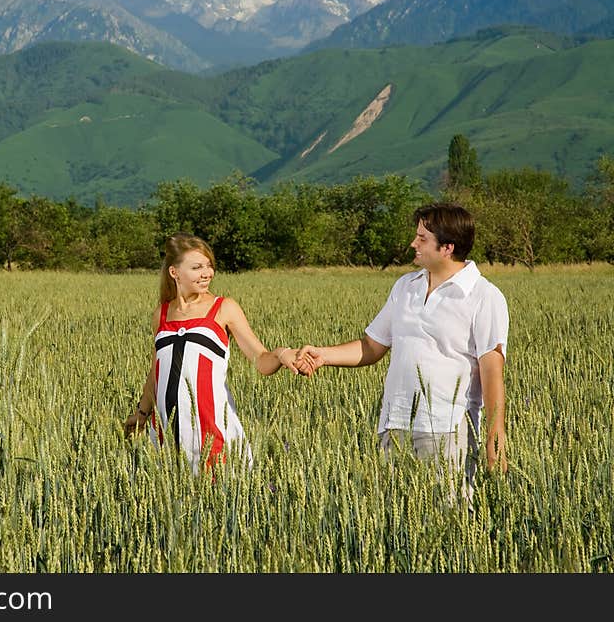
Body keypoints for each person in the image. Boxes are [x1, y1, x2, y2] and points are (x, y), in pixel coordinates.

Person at [295, 203, 509, 503]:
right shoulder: (406, 286)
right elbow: (372, 346)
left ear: (447, 247)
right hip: (395, 423)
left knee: (449, 519)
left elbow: (491, 371)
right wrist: (323, 355)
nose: (413, 243)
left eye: (422, 238)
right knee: (398, 520)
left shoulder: (483, 296)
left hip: (447, 428)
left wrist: (494, 441)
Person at [125, 232, 305, 475]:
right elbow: (157, 371)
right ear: (174, 272)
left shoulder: (224, 308)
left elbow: (261, 359)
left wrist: (282, 354)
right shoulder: (162, 313)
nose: (207, 273)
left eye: (209, 265)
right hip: (166, 430)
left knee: (221, 498)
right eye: (197, 267)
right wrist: (142, 413)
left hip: (212, 428)